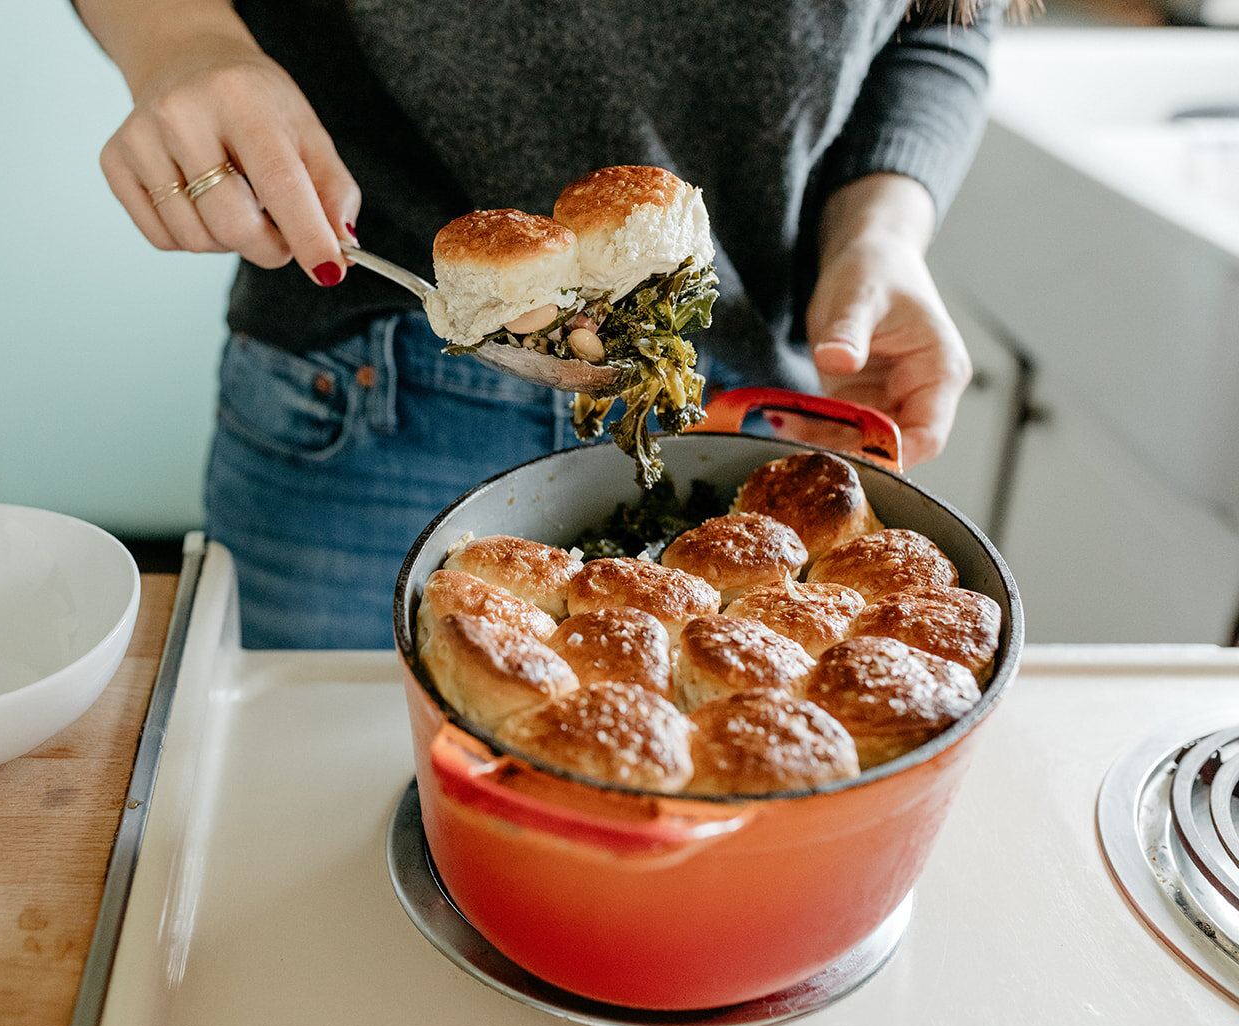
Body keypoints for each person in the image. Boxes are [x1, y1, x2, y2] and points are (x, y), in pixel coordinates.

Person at [73, 0, 1012, 650]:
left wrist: (880, 233)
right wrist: (183, 40)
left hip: (756, 433)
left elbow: (942, 24)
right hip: (371, 404)